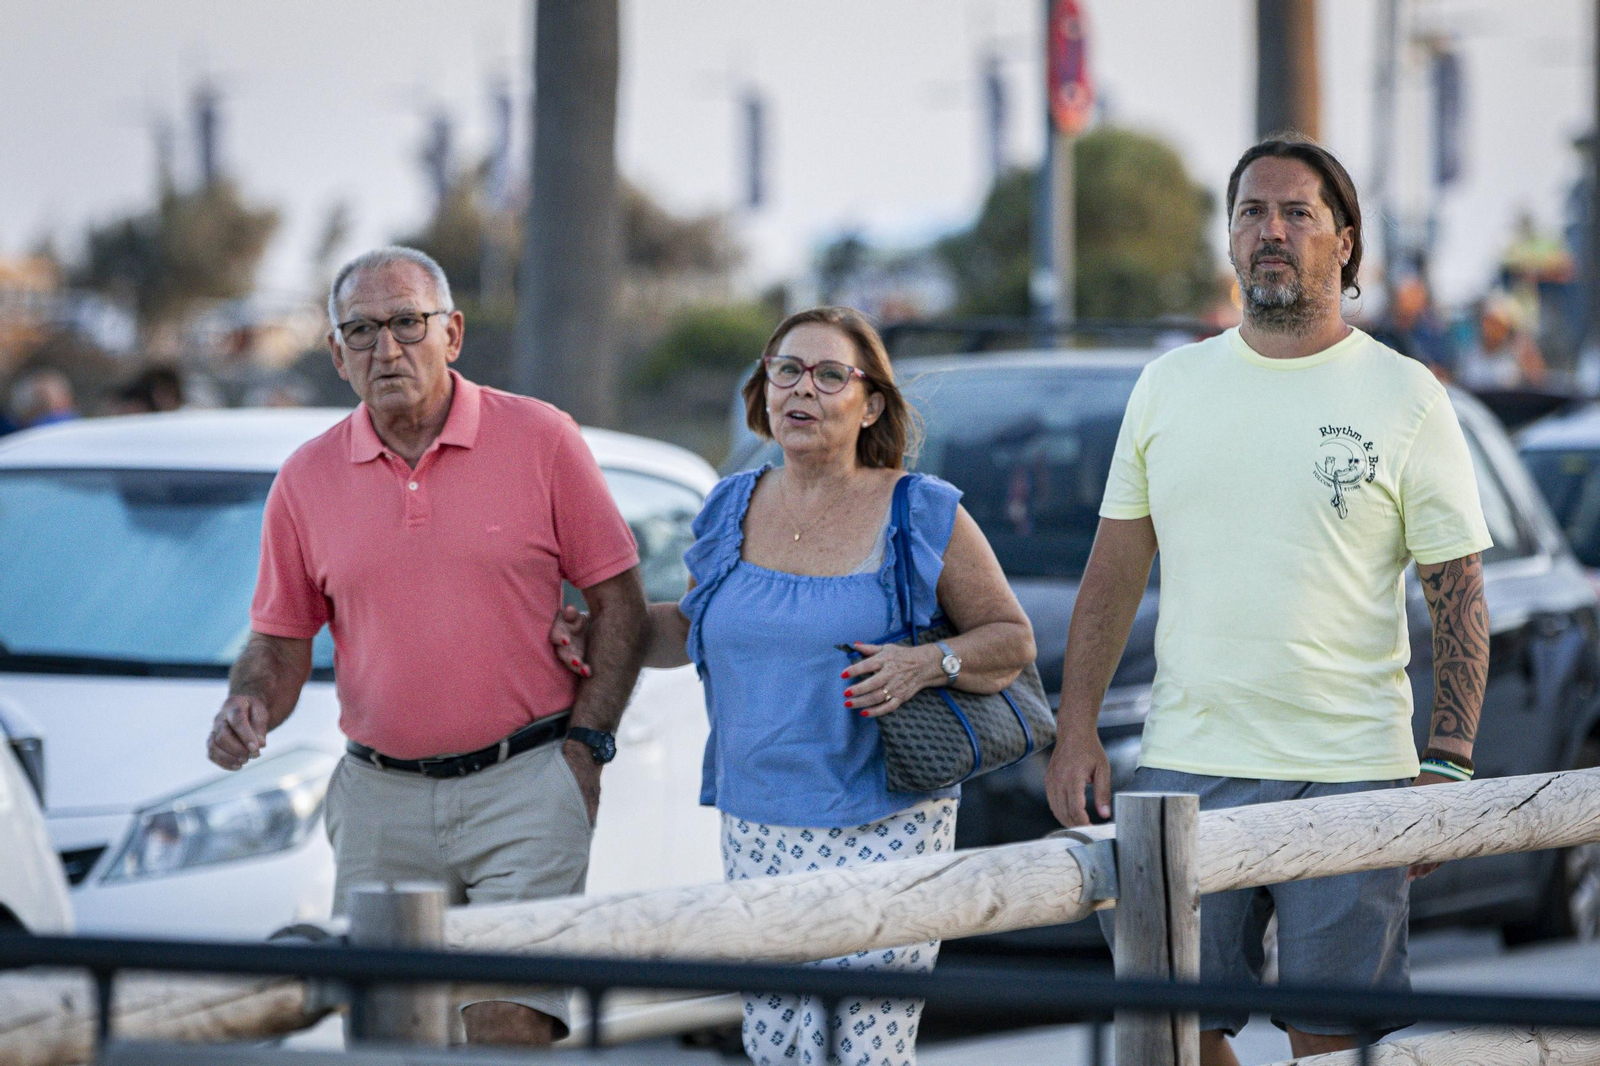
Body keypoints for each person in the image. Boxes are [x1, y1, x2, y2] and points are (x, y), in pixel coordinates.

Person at [1044, 138, 1492, 1065]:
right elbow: (1114, 571)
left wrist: (1447, 760)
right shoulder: (1170, 384)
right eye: (1251, 212)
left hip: (1352, 767)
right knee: (1172, 1032)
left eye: (1297, 214)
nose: (1271, 232)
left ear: (1345, 242)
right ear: (1231, 238)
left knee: (1330, 1040)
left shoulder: (1406, 395)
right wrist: (1075, 726)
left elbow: (1457, 591)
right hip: (1186, 763)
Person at [554, 306, 1035, 1066]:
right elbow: (692, 629)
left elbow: (1009, 642)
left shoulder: (921, 509)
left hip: (886, 822)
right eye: (787, 370)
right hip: (757, 823)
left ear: (870, 402)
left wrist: (923, 663)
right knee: (778, 1046)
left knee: (860, 1048)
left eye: (829, 374)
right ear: (765, 389)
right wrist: (594, 633)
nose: (802, 390)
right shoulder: (728, 507)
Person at [205, 246, 647, 1047]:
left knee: (508, 1024)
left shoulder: (542, 438)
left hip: (527, 784)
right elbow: (279, 640)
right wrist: (248, 703)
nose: (387, 348)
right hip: (380, 802)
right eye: (363, 331)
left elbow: (618, 601)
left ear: (453, 332)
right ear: (337, 356)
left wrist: (586, 748)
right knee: (390, 1038)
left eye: (407, 322)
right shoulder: (304, 479)